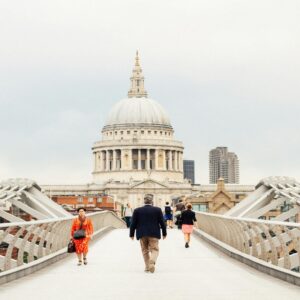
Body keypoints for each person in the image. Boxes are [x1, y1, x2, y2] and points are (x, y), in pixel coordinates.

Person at [130, 195, 167, 273]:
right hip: (154, 233)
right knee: (155, 249)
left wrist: (131, 234)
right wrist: (164, 233)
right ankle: (152, 261)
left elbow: (133, 223)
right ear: (152, 201)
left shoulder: (137, 210)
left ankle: (147, 267)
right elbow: (162, 223)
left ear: (144, 201)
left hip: (142, 233)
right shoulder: (157, 210)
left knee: (144, 250)